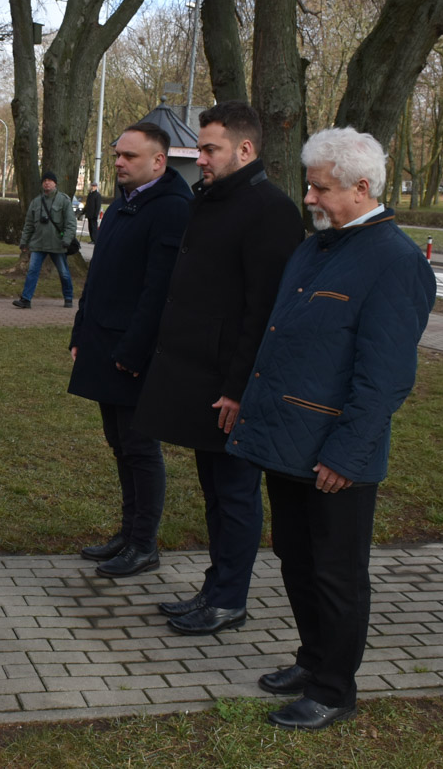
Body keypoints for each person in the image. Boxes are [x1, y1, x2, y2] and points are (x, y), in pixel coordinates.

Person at [230, 127, 435, 731]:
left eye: (321, 188)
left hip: (336, 454)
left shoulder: (396, 262)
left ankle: (334, 689)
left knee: (337, 574)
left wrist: (347, 455)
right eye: (310, 186)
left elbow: (385, 379)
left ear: (362, 187)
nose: (311, 199)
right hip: (287, 440)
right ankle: (312, 659)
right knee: (296, 559)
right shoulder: (315, 248)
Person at [134, 101, 303, 636]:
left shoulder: (269, 209)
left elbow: (265, 312)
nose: (200, 158)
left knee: (234, 494)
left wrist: (239, 389)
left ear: (245, 149)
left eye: (210, 149)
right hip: (198, 374)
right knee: (216, 491)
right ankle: (216, 587)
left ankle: (230, 598)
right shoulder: (214, 199)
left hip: (229, 384)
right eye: (202, 148)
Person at [68, 122, 192, 578]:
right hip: (103, 345)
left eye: (129, 156)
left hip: (133, 355)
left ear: (158, 161)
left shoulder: (173, 209)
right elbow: (99, 277)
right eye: (117, 154)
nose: (119, 162)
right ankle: (127, 533)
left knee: (140, 448)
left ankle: (144, 543)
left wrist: (132, 353)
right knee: (119, 444)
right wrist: (80, 333)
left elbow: (159, 291)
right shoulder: (126, 202)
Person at [12, 170, 76, 309]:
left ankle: (69, 297)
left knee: (64, 273)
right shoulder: (35, 202)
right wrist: (24, 241)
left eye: (50, 180)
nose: (47, 183)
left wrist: (67, 239)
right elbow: (29, 224)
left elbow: (71, 223)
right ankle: (26, 299)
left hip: (57, 245)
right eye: (44, 180)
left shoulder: (64, 200)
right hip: (38, 244)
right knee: (32, 272)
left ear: (55, 183)